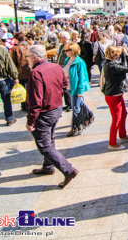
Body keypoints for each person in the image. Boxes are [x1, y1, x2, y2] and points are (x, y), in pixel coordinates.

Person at [25, 45, 78, 188]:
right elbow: (64, 84)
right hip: (55, 109)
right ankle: (48, 166)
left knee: (45, 146)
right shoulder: (56, 67)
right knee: (50, 139)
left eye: (27, 57)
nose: (27, 61)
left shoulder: (35, 73)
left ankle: (68, 169)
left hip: (45, 112)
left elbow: (35, 100)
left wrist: (31, 120)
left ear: (34, 57)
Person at [103, 46, 128, 150]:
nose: (119, 56)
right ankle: (112, 143)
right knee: (116, 119)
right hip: (113, 96)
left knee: (123, 114)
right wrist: (127, 55)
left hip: (117, 95)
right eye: (118, 54)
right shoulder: (112, 66)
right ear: (113, 55)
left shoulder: (110, 63)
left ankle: (122, 135)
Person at [64, 43, 92, 137]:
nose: (65, 52)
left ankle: (74, 128)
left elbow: (82, 77)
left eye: (67, 50)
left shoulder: (79, 62)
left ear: (73, 51)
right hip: (69, 87)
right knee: (77, 104)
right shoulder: (67, 60)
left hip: (75, 88)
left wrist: (80, 91)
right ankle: (90, 115)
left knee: (75, 108)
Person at [10, 32, 31, 112]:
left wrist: (14, 75)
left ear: (16, 39)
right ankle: (30, 104)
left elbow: (13, 63)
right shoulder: (29, 47)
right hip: (30, 71)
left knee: (22, 89)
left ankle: (24, 105)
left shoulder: (15, 49)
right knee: (30, 89)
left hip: (20, 72)